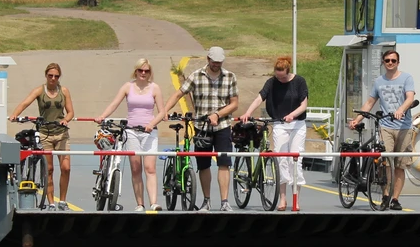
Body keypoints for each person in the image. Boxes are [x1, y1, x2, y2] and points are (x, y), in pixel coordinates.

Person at [151, 46, 239, 211]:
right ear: (208, 59)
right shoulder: (196, 76)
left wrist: (217, 115)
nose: (216, 65)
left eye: (219, 62)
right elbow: (179, 94)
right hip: (201, 127)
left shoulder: (230, 77)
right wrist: (164, 112)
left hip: (222, 126)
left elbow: (234, 103)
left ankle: (225, 201)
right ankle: (206, 201)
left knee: (224, 164)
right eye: (214, 62)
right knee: (204, 165)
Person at [348, 49, 415, 210]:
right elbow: (370, 102)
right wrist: (357, 119)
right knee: (385, 163)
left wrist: (401, 110)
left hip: (404, 127)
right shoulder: (379, 81)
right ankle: (385, 195)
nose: (390, 63)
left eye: (393, 60)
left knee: (399, 165)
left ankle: (395, 199)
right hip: (386, 126)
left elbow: (410, 98)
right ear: (383, 63)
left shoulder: (407, 78)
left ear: (398, 62)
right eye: (387, 60)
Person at [240, 56, 309, 211]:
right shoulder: (272, 82)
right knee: (281, 160)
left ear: (288, 72)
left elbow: (304, 104)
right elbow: (260, 97)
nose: (280, 79)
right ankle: (282, 199)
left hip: (297, 124)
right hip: (279, 123)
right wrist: (248, 112)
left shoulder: (299, 82)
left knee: (295, 160)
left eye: (283, 77)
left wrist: (292, 114)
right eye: (278, 76)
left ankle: (296, 199)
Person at [95, 58, 165, 211]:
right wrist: (102, 116)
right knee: (135, 168)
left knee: (150, 168)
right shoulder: (128, 86)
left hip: (149, 132)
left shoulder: (155, 88)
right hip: (131, 131)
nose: (143, 73)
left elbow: (162, 112)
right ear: (136, 71)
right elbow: (114, 103)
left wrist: (151, 124)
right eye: (140, 70)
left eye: (146, 71)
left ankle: (153, 202)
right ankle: (140, 203)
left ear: (150, 73)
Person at [9, 63, 75, 211]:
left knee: (66, 168)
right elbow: (25, 102)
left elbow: (70, 111)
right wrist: (15, 114)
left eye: (56, 76)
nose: (53, 78)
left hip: (61, 133)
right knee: (49, 169)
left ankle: (63, 200)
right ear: (46, 75)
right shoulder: (40, 90)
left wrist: (66, 120)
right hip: (45, 134)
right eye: (50, 75)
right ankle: (51, 202)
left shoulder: (64, 91)